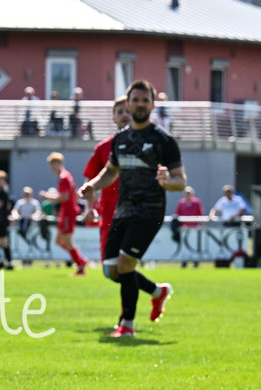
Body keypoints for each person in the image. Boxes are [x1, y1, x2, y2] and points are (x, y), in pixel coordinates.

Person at [79, 79, 186, 338]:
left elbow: (180, 181)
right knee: (113, 270)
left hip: (149, 212)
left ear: (152, 104)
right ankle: (157, 292)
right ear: (128, 104)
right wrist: (93, 185)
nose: (140, 105)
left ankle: (126, 325)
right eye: (135, 100)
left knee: (126, 265)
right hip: (121, 212)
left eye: (145, 101)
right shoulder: (120, 140)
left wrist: (166, 182)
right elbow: (110, 172)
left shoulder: (164, 141)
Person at [82, 96, 133, 262]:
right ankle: (154, 289)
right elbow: (91, 181)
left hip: (136, 208)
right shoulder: (103, 148)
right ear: (114, 118)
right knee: (109, 264)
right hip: (110, 209)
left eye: (128, 111)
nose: (124, 115)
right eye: (120, 112)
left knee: (127, 263)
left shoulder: (147, 143)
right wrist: (88, 207)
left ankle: (151, 288)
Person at [40, 152, 90, 274]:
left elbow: (65, 196)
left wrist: (48, 196)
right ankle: (80, 260)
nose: (52, 168)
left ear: (58, 164)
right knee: (58, 241)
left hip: (68, 211)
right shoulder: (66, 176)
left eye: (53, 165)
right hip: (66, 211)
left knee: (67, 241)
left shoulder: (64, 177)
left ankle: (80, 265)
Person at [174, 185, 204, 267]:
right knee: (184, 245)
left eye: (189, 193)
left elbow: (200, 214)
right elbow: (177, 215)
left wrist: (195, 220)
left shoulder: (197, 202)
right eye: (186, 193)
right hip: (184, 229)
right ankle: (184, 261)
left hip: (194, 228)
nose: (188, 195)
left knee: (194, 245)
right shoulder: (181, 203)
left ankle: (196, 261)